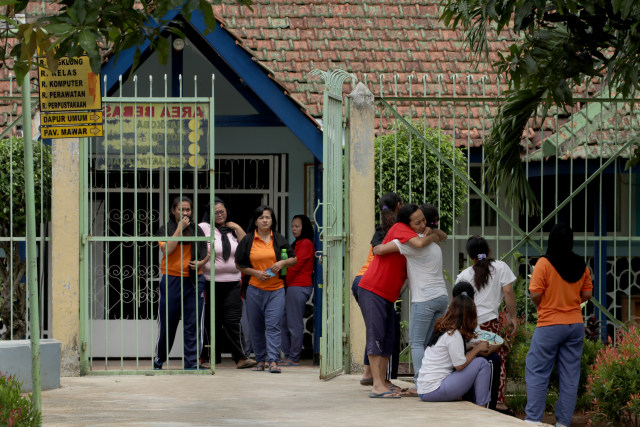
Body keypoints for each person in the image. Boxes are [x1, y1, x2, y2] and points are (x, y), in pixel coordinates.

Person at [359, 203, 441, 398]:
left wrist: (431, 232)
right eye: (418, 222)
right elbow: (421, 243)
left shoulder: (412, 236)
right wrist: (433, 235)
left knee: (388, 338)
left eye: (424, 220)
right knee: (376, 336)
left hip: (387, 294)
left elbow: (438, 235)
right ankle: (377, 385)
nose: (423, 224)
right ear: (407, 223)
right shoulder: (400, 229)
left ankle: (384, 383)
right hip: (373, 289)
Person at [525, 223, 593, 426]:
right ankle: (563, 423)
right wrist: (571, 302)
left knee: (537, 370)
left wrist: (547, 304)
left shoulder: (544, 263)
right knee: (570, 375)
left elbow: (535, 293)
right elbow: (587, 294)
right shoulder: (582, 264)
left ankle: (533, 421)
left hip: (549, 325)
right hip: (574, 325)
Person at [455, 235, 517, 412]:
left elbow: (458, 301)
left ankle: (468, 397)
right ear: (489, 251)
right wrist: (512, 317)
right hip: (490, 323)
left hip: (468, 324)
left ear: (470, 256)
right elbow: (508, 291)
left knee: (470, 357)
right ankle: (497, 400)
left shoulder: (464, 275)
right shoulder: (500, 267)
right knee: (498, 359)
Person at [235, 205, 297, 373]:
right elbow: (239, 264)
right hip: (254, 289)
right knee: (256, 326)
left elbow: (293, 259)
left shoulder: (279, 239)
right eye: (261, 217)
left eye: (267, 217)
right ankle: (260, 360)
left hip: (276, 289)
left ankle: (273, 361)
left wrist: (282, 262)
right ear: (255, 221)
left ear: (272, 220)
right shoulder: (248, 240)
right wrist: (255, 272)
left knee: (273, 325)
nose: (264, 220)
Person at [351, 192, 403, 387]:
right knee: (380, 330)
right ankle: (380, 381)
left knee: (377, 327)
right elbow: (379, 251)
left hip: (362, 280)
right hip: (372, 282)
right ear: (399, 205)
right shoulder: (397, 228)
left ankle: (368, 373)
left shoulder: (382, 228)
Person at [199, 197, 256, 369]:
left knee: (233, 321)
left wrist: (237, 227)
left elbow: (247, 246)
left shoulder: (232, 230)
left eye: (222, 211)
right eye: (215, 213)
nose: (219, 215)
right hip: (210, 283)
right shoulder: (204, 228)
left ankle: (240, 358)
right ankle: (209, 359)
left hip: (232, 283)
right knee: (211, 321)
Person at [154, 196, 209, 370]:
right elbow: (168, 250)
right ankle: (159, 360)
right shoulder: (166, 228)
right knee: (167, 324)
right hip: (171, 277)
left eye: (188, 210)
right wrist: (179, 228)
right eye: (181, 209)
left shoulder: (197, 230)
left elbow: (207, 253)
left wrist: (201, 263)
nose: (185, 213)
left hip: (194, 279)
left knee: (193, 324)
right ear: (173, 211)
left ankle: (192, 364)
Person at [416, 290, 491, 406]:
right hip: (435, 390)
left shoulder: (444, 330)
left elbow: (448, 351)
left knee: (476, 361)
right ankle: (483, 408)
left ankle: (479, 405)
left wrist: (471, 346)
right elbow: (459, 365)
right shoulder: (453, 334)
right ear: (468, 316)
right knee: (482, 363)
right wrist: (478, 348)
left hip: (424, 390)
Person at [452, 281, 502, 410]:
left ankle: (475, 404)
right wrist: (501, 343)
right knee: (491, 361)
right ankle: (487, 409)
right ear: (474, 300)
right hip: (455, 365)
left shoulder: (450, 316)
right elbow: (484, 351)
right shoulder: (460, 318)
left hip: (457, 363)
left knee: (483, 360)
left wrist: (474, 346)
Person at [280, 214, 315, 366]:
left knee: (294, 323)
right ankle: (289, 355)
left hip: (298, 286)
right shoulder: (299, 242)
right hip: (293, 286)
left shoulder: (305, 243)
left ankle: (293, 357)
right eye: (292, 226)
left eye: (297, 226)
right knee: (284, 321)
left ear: (304, 227)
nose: (293, 229)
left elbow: (294, 266)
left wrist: (282, 282)